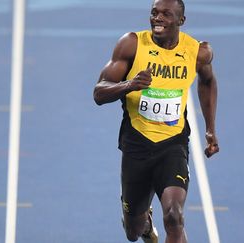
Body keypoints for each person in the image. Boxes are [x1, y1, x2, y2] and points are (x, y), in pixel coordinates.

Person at [93, 0, 219, 242]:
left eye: (165, 14)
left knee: (174, 216)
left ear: (181, 21)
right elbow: (99, 92)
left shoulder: (198, 52)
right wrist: (129, 84)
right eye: (154, 13)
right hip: (136, 144)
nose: (157, 18)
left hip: (173, 144)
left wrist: (210, 130)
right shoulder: (132, 44)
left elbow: (208, 82)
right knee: (133, 231)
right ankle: (145, 225)